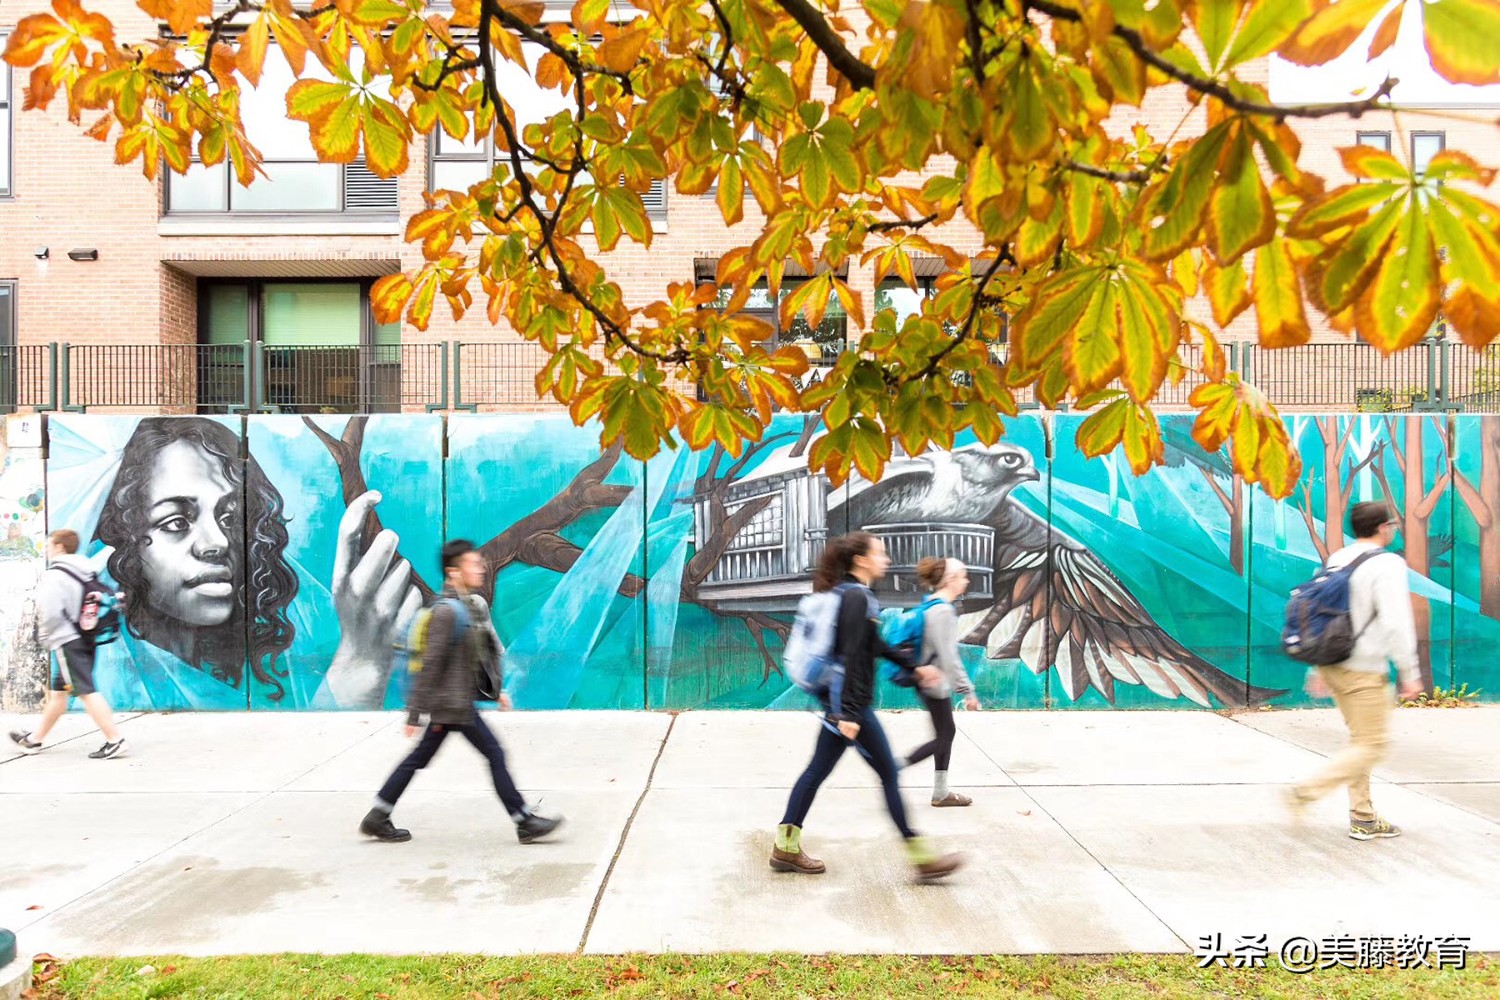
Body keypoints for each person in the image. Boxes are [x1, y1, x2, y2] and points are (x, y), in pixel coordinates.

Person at [771, 532, 965, 882]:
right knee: (886, 774)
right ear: (861, 560)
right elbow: (848, 656)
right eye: (880, 553)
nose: (886, 559)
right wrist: (846, 712)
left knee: (817, 771)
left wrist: (913, 667)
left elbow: (871, 643)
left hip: (843, 703)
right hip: (850, 706)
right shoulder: (856, 597)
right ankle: (922, 859)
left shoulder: (851, 594)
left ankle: (785, 846)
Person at [360, 539, 562, 845]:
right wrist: (415, 713)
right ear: (454, 572)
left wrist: (494, 694)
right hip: (450, 708)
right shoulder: (447, 613)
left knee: (420, 759)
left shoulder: (464, 606)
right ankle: (523, 820)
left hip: (455, 705)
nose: (480, 568)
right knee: (492, 754)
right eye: (472, 564)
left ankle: (378, 815)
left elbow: (468, 661)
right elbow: (431, 664)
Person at [1285, 501, 1425, 839]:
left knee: (1360, 743)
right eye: (1391, 523)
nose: (1393, 528)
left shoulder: (1339, 558)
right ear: (1382, 527)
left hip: (1335, 663)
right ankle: (1308, 790)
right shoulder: (1388, 564)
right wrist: (1410, 672)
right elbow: (1396, 622)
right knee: (1373, 745)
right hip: (1364, 669)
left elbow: (1321, 613)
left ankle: (1362, 817)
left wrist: (1319, 667)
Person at [8, 529, 126, 759]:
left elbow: (50, 612)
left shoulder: (54, 575)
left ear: (60, 547)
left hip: (67, 639)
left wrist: (44, 638)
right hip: (85, 637)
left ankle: (115, 740)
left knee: (85, 691)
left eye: (50, 545)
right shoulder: (84, 568)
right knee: (59, 693)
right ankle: (34, 740)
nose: (48, 549)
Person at [903, 557, 982, 807]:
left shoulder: (932, 605)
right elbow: (949, 656)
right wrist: (967, 691)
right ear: (950, 580)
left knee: (945, 732)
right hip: (933, 681)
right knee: (945, 734)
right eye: (963, 576)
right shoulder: (943, 611)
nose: (966, 581)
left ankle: (940, 792)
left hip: (930, 679)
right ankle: (895, 766)